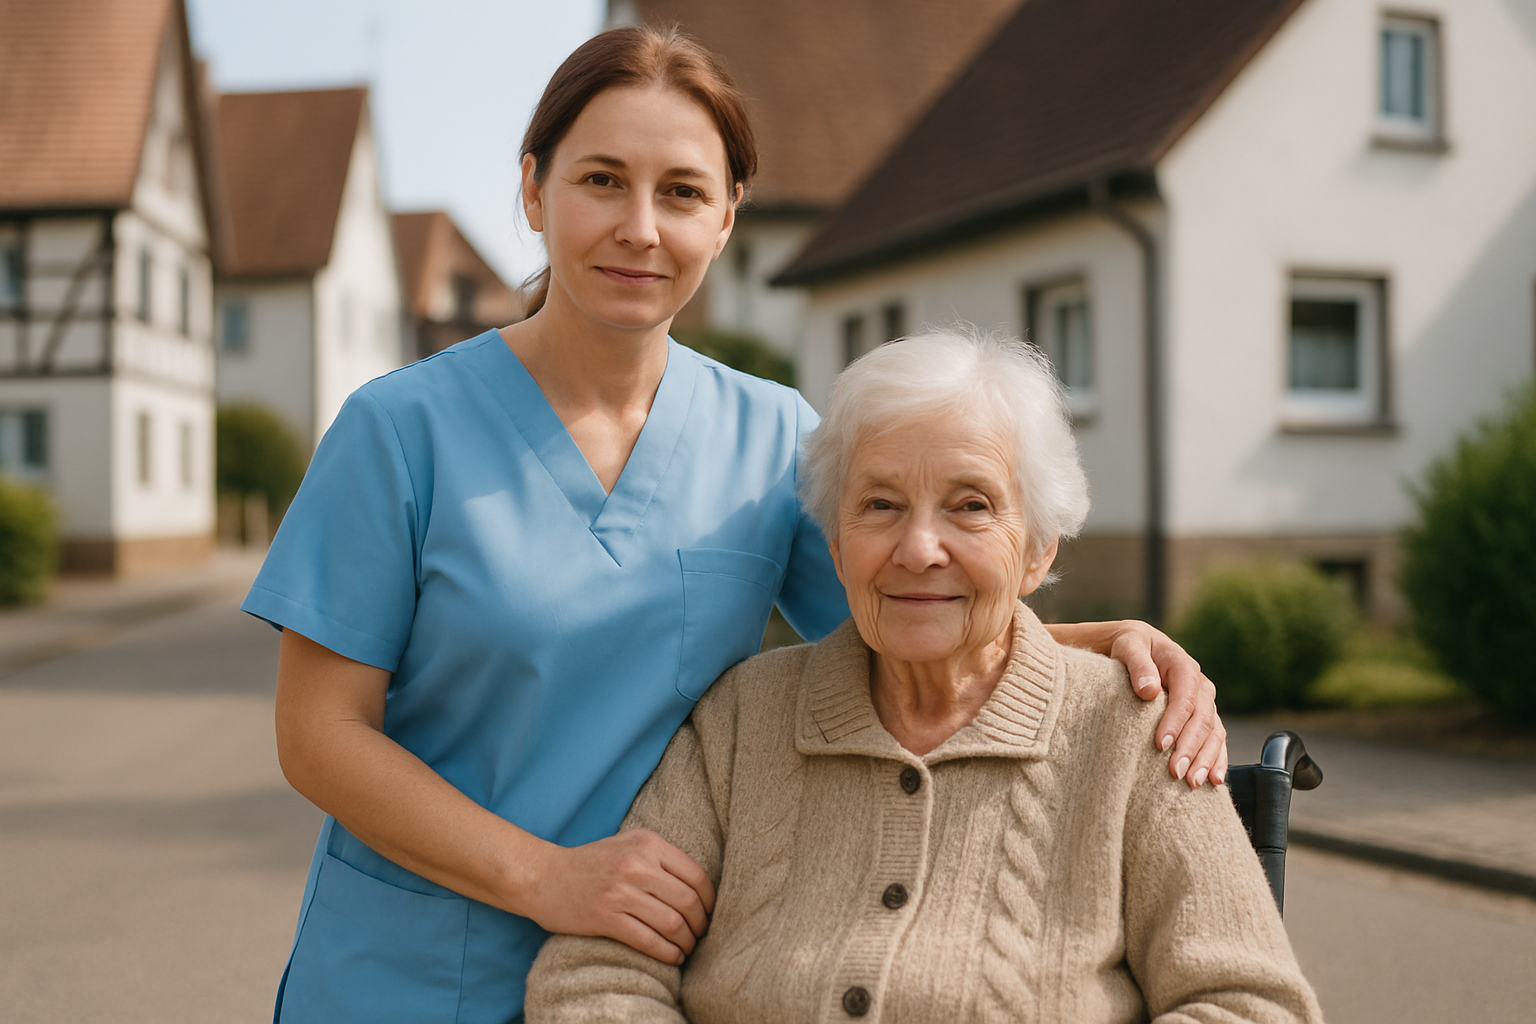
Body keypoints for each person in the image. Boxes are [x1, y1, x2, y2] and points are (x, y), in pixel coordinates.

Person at [250, 25, 1227, 1024]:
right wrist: (546, 878)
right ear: (536, 192)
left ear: (724, 221)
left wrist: (1107, 646)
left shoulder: (771, 437)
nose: (640, 227)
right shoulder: (398, 430)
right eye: (601, 181)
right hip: (411, 975)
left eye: (680, 192)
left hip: (643, 976)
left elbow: (904, 621)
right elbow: (319, 735)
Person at [525, 330, 1322, 1024]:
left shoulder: (1134, 731)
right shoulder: (743, 719)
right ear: (835, 546)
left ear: (1039, 548)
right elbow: (596, 975)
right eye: (879, 505)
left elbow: (1252, 1006)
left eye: (970, 505)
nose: (918, 549)